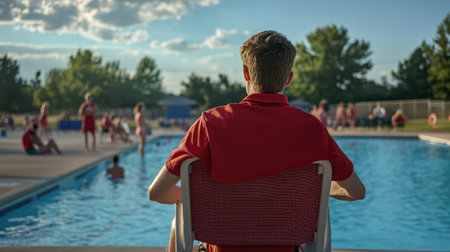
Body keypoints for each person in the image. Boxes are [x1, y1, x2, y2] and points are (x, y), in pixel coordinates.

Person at [148, 31, 365, 252]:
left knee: (177, 224)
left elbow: (156, 192)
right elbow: (356, 191)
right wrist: (318, 191)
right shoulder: (312, 128)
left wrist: (187, 198)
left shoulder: (209, 124)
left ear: (245, 73)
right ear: (288, 78)